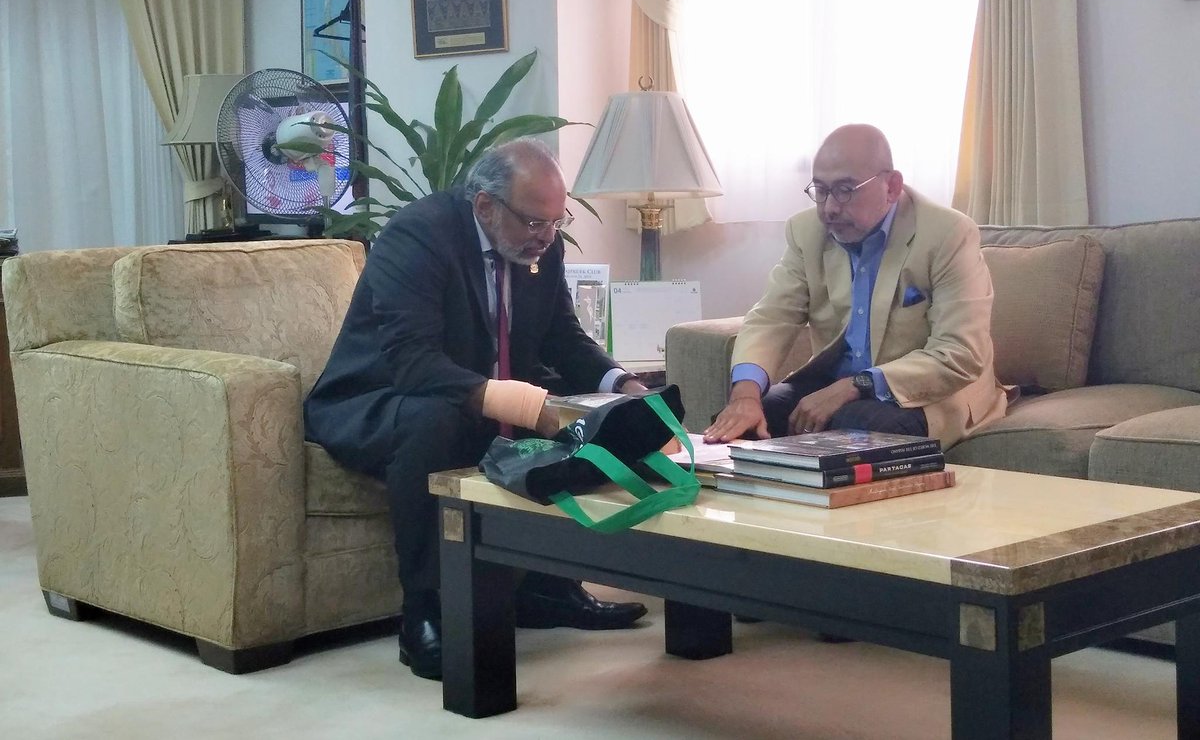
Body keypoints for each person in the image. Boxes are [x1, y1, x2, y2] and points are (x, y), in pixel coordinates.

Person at [305, 138, 649, 682]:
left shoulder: (541, 246)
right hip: (377, 400)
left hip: (470, 397)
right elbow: (412, 361)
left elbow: (562, 337)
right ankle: (425, 611)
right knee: (437, 419)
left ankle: (547, 586)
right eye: (534, 222)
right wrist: (522, 403)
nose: (547, 237)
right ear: (485, 205)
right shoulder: (418, 236)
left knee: (586, 411)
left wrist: (624, 386)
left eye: (556, 222)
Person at [704, 123, 1007, 446]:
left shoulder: (948, 234)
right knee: (744, 426)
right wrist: (745, 396)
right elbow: (772, 317)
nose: (830, 207)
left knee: (854, 427)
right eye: (821, 190)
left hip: (927, 392)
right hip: (837, 385)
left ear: (891, 187)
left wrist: (856, 385)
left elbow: (960, 352)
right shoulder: (807, 232)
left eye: (845, 189)